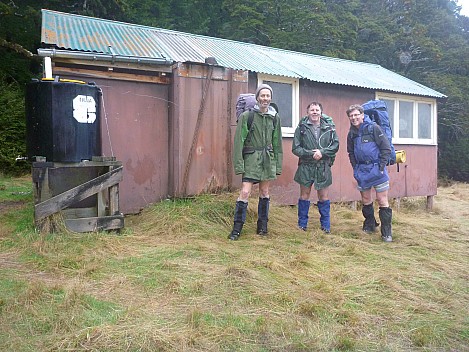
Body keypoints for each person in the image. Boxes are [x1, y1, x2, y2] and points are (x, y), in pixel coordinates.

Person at [228, 84, 283, 241]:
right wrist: (239, 165)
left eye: (267, 96)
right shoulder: (247, 116)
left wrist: (277, 165)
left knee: (265, 192)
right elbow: (239, 141)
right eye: (262, 95)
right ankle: (237, 228)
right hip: (251, 159)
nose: (265, 98)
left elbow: (277, 143)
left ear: (270, 98)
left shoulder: (275, 117)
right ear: (257, 97)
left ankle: (262, 227)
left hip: (267, 160)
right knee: (245, 192)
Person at [346, 104, 393, 242]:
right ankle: (370, 224)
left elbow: (386, 148)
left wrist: (381, 166)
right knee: (366, 200)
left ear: (362, 115)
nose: (354, 118)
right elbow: (350, 152)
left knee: (382, 200)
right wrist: (355, 168)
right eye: (351, 116)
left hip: (377, 170)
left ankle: (386, 232)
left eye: (356, 115)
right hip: (362, 171)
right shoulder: (351, 134)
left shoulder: (374, 128)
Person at [292, 102, 339, 233]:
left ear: (321, 112)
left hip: (323, 167)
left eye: (317, 110)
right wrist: (310, 154)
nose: (314, 112)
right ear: (307, 112)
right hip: (306, 166)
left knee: (323, 197)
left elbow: (335, 146)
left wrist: (322, 153)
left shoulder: (329, 128)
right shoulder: (301, 128)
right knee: (304, 195)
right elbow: (295, 149)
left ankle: (326, 226)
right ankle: (302, 225)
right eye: (312, 110)